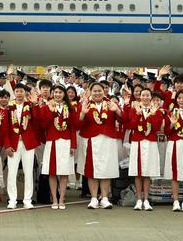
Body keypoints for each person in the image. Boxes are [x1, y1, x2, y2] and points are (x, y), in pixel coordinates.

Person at [76, 82, 123, 210]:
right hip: (90, 140)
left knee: (106, 170)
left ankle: (105, 198)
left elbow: (124, 121)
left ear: (104, 91)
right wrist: (82, 113)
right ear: (90, 92)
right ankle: (93, 198)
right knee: (92, 170)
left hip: (107, 140)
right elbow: (77, 125)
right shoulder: (84, 104)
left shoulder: (111, 104)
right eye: (94, 91)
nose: (97, 93)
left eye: (99, 90)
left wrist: (118, 110)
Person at [39, 85, 78, 209]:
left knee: (64, 172)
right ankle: (54, 199)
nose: (57, 94)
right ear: (52, 93)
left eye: (60, 92)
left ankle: (62, 199)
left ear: (64, 94)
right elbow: (44, 125)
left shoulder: (70, 107)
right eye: (55, 92)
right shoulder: (47, 107)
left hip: (66, 142)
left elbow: (72, 127)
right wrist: (51, 111)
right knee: (52, 172)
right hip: (52, 142)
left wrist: (73, 145)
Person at [2, 83, 40, 209]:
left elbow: (37, 120)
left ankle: (27, 199)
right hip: (13, 144)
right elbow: (5, 128)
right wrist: (7, 146)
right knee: (12, 173)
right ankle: (12, 199)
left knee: (28, 172)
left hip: (28, 143)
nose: (19, 93)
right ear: (14, 93)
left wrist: (35, 104)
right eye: (17, 91)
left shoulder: (30, 106)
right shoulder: (8, 108)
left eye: (21, 91)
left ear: (25, 93)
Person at [126, 88, 163, 211]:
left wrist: (152, 115)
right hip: (138, 142)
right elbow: (131, 126)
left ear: (151, 97)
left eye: (148, 95)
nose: (145, 97)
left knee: (147, 172)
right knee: (138, 172)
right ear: (140, 97)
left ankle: (146, 200)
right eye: (143, 95)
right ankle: (138, 199)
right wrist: (137, 113)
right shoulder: (134, 109)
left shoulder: (156, 110)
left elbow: (157, 128)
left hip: (151, 142)